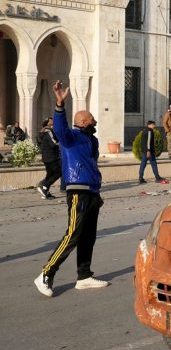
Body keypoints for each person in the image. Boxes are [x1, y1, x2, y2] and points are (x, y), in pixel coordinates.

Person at [34, 80, 110, 297]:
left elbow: (92, 165)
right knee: (73, 234)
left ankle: (84, 276)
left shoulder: (90, 140)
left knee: (88, 236)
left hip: (92, 192)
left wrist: (97, 194)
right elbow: (60, 128)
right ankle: (46, 274)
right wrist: (60, 105)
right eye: (92, 119)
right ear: (83, 121)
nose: (95, 121)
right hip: (78, 190)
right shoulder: (71, 137)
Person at [36, 118, 61, 199]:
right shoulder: (49, 131)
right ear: (48, 123)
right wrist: (62, 143)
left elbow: (39, 143)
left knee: (50, 174)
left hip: (46, 156)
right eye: (51, 120)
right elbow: (53, 143)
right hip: (51, 156)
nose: (53, 121)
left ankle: (45, 191)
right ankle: (44, 186)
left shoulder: (42, 132)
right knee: (58, 172)